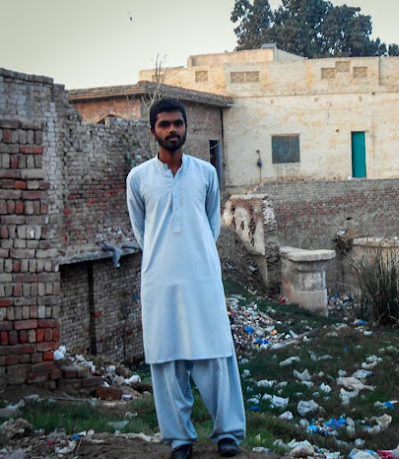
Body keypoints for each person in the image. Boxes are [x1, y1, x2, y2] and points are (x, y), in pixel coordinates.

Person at [126, 99, 246, 459]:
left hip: (202, 278)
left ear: (186, 128)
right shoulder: (138, 178)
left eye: (177, 123)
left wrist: (198, 257)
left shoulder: (206, 174)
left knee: (215, 352)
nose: (172, 130)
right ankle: (179, 439)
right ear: (153, 131)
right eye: (164, 125)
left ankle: (227, 434)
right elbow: (141, 232)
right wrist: (165, 257)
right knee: (167, 358)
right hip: (160, 281)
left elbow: (211, 225)